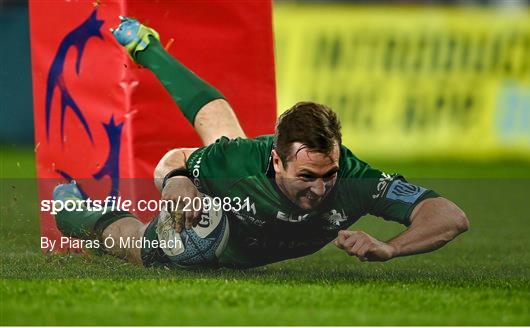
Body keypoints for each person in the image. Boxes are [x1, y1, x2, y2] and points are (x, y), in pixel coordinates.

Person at [52, 17, 469, 269]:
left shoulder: (357, 179)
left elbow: (449, 216)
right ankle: (71, 210)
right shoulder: (240, 162)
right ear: (276, 160)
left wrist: (390, 247)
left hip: (242, 172)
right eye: (307, 176)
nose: (321, 188)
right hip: (221, 231)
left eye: (329, 174)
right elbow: (173, 159)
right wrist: (177, 180)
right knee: (149, 252)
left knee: (225, 136)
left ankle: (148, 47)